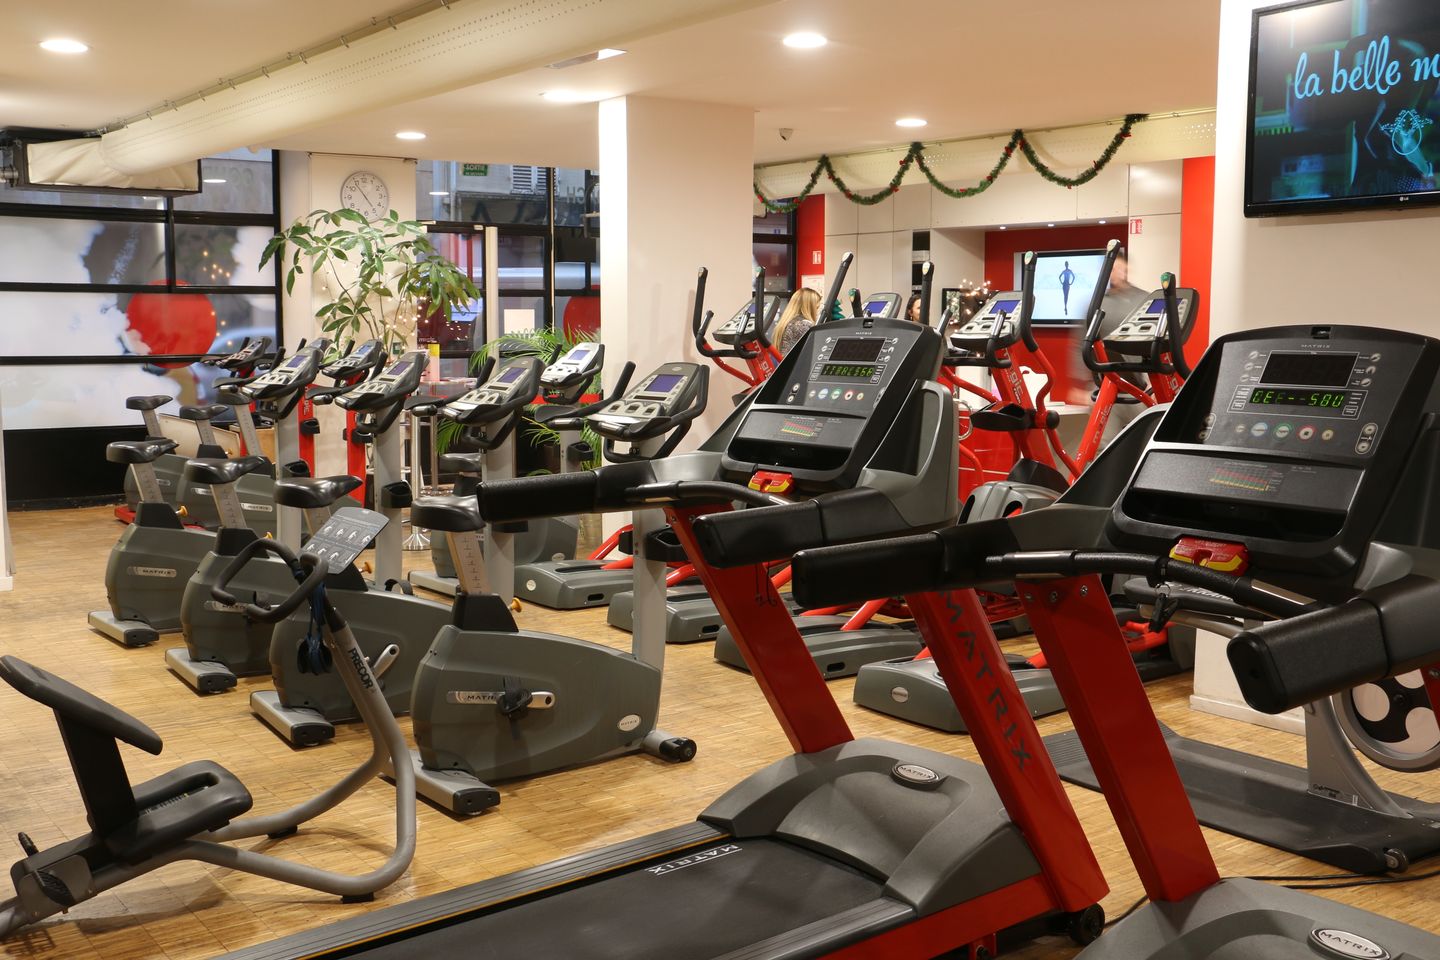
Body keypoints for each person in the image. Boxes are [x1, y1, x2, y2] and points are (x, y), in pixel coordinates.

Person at [773, 287, 822, 355]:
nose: (817, 312)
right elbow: (815, 353)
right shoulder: (804, 325)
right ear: (810, 307)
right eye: (817, 308)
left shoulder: (785, 323)